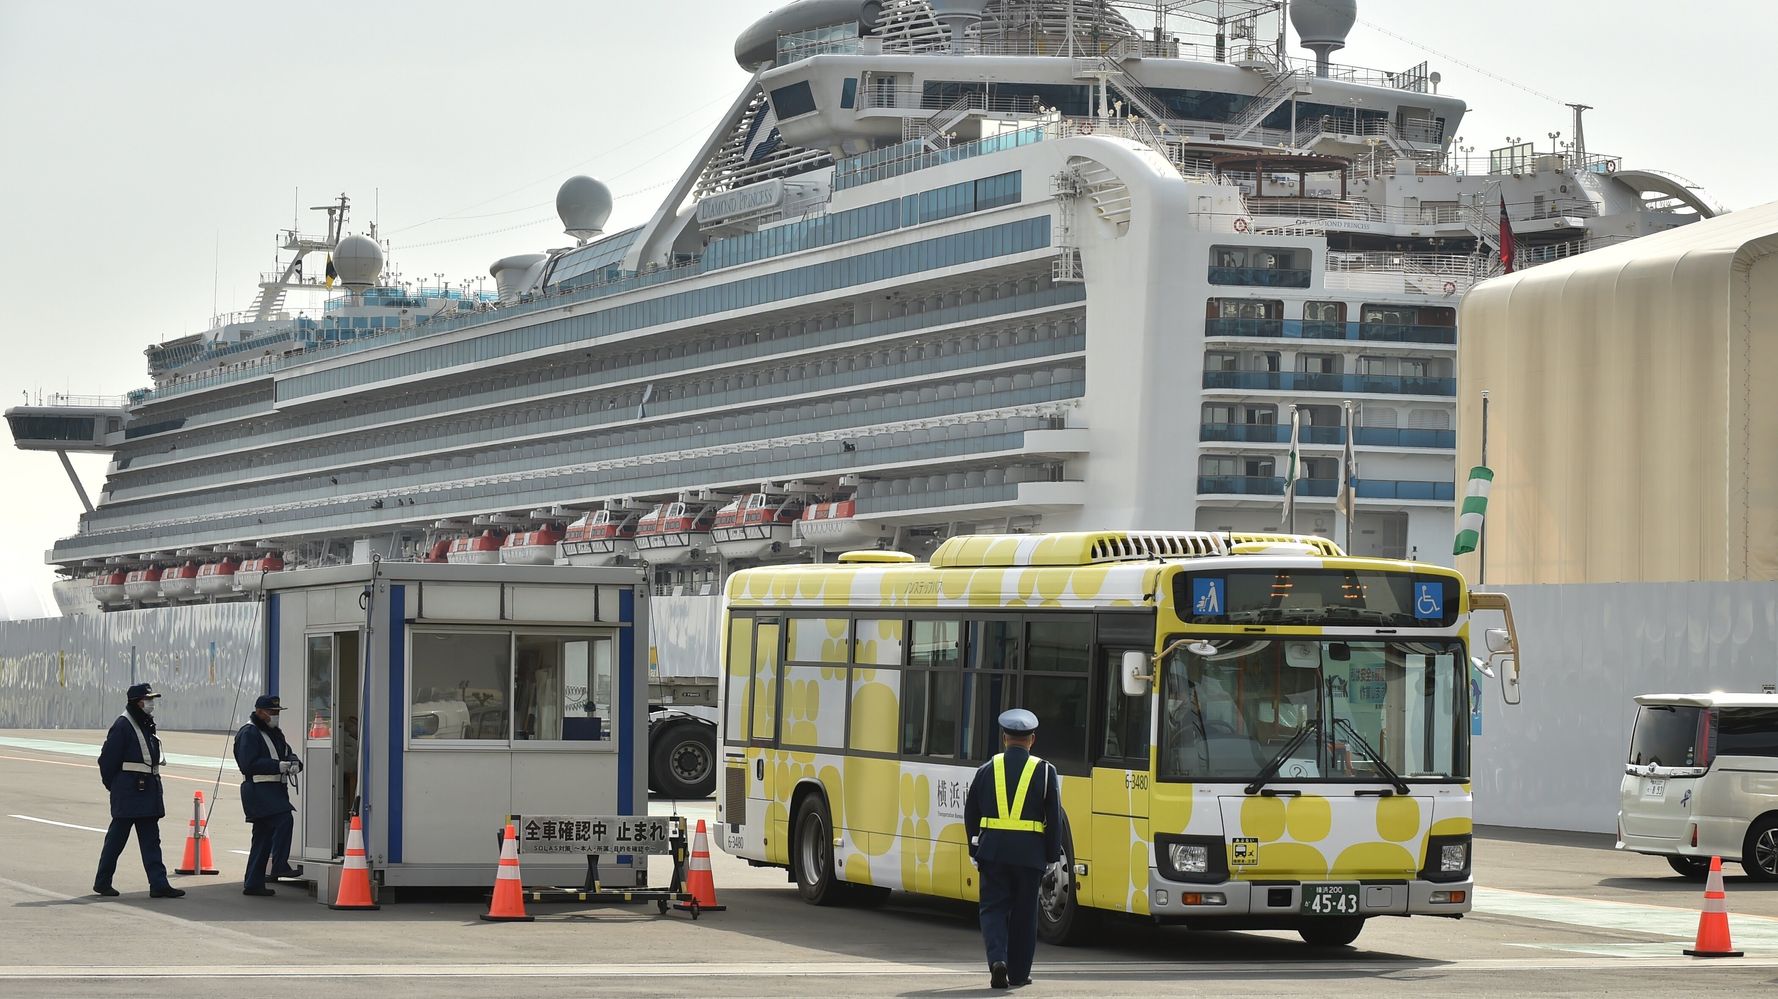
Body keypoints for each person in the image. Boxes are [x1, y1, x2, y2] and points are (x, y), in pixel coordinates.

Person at [964, 708, 1064, 990]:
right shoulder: (1045, 771)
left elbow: (971, 811)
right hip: (1029, 857)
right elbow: (1054, 818)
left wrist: (974, 847)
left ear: (1004, 738)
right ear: (1032, 740)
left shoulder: (986, 770)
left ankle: (998, 961)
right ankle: (1019, 973)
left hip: (992, 853)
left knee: (993, 909)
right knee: (1024, 914)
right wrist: (1052, 856)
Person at [93, 683, 185, 899]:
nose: (151, 704)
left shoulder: (144, 723)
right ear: (137, 702)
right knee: (116, 840)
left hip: (147, 791)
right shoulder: (123, 725)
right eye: (148, 699)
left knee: (151, 839)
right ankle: (102, 882)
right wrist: (115, 787)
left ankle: (159, 884)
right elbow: (107, 761)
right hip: (128, 791)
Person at [235, 694, 304, 896]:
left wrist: (294, 763)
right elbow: (247, 764)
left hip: (274, 790)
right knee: (284, 819)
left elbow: (287, 752)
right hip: (258, 789)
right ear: (259, 712)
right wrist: (277, 766)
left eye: (277, 712)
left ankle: (253, 883)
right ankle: (279, 865)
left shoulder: (274, 733)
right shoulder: (249, 733)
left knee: (263, 837)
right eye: (272, 712)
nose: (275, 716)